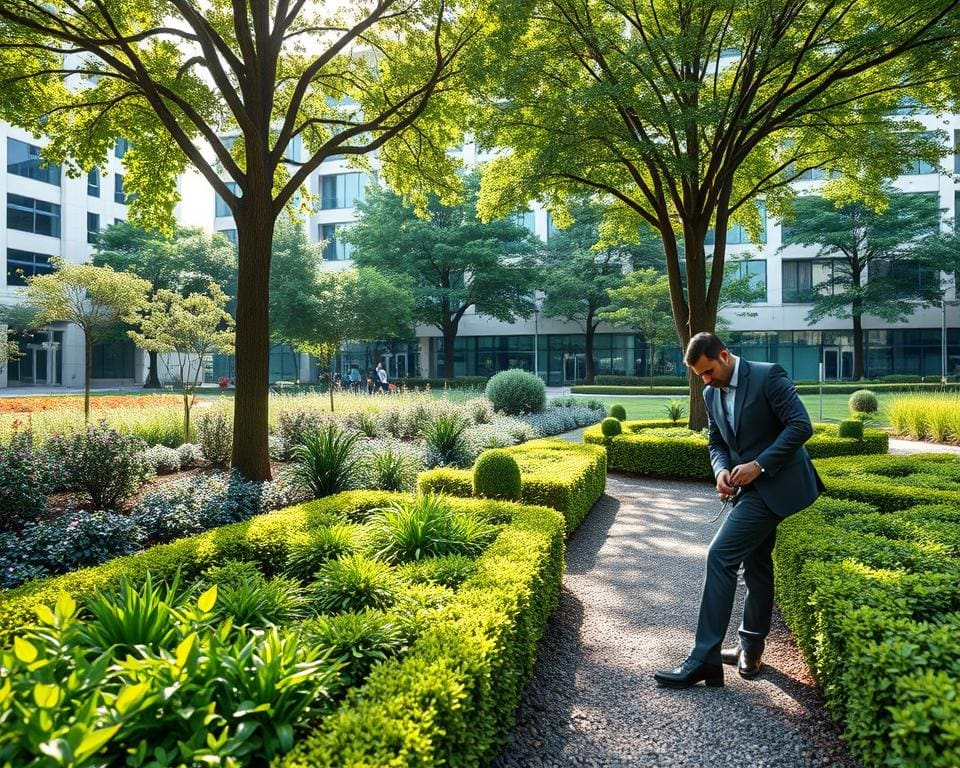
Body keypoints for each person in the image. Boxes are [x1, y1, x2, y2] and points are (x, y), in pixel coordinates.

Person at [654, 332, 823, 689]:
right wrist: (720, 471)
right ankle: (751, 648)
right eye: (699, 375)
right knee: (756, 564)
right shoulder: (710, 393)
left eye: (709, 371)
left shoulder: (768, 375)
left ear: (724, 355)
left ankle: (704, 659)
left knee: (720, 556)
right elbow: (716, 442)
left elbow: (800, 426)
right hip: (749, 490)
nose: (706, 380)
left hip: (779, 484)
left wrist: (758, 465)